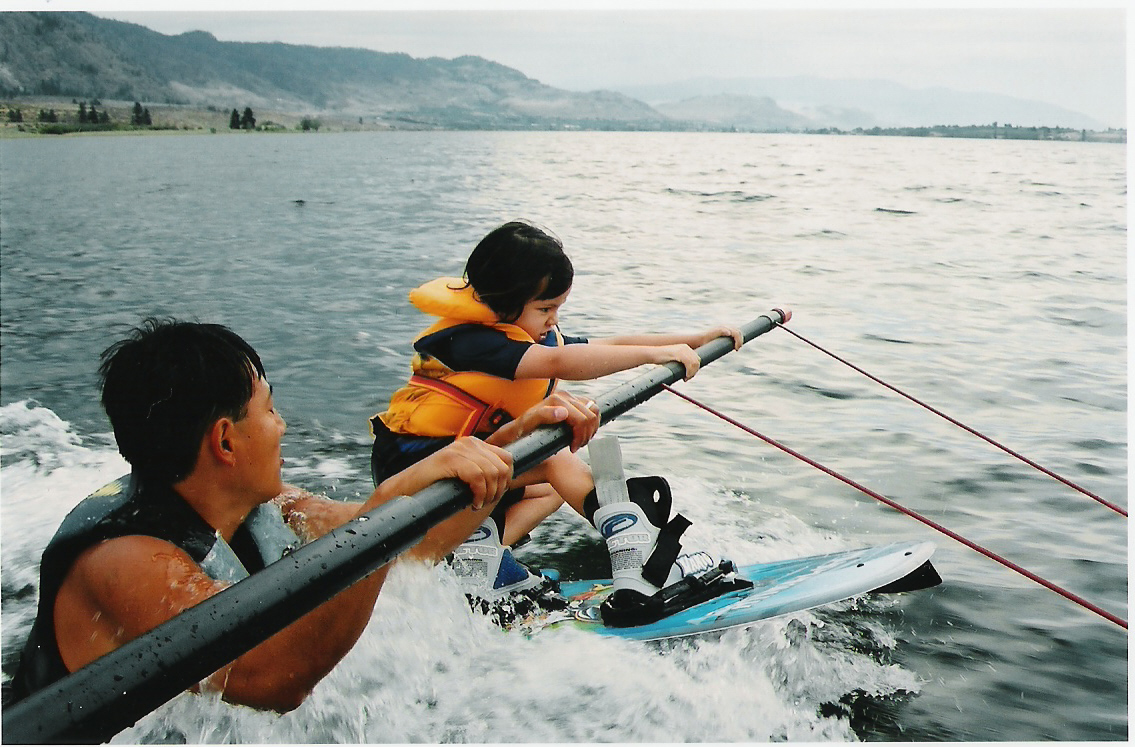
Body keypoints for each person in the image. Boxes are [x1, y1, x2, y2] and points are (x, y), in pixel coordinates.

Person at [9, 318, 600, 712]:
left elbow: (410, 547)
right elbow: (268, 679)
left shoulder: (264, 505)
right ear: (225, 440)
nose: (283, 426)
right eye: (270, 410)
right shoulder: (127, 560)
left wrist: (507, 447)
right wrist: (388, 506)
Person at [371, 221, 745, 625]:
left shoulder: (526, 330)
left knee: (552, 486)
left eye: (557, 309)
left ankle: (474, 556)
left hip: (474, 465)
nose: (553, 321)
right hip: (418, 470)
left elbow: (606, 346)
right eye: (545, 309)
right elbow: (559, 363)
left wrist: (692, 339)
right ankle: (637, 552)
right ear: (502, 301)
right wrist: (652, 358)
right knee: (552, 460)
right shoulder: (468, 341)